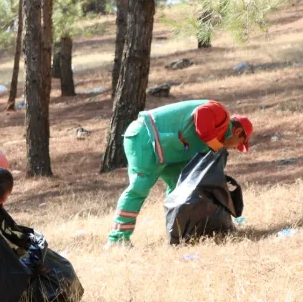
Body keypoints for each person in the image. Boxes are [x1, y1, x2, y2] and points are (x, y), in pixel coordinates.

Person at [107, 100, 252, 245]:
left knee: (181, 189)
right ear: (238, 132)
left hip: (166, 150)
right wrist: (216, 146)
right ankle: (117, 239)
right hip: (145, 137)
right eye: (240, 143)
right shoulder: (221, 113)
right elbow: (202, 114)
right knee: (139, 188)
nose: (236, 148)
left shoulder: (214, 142)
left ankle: (178, 235)